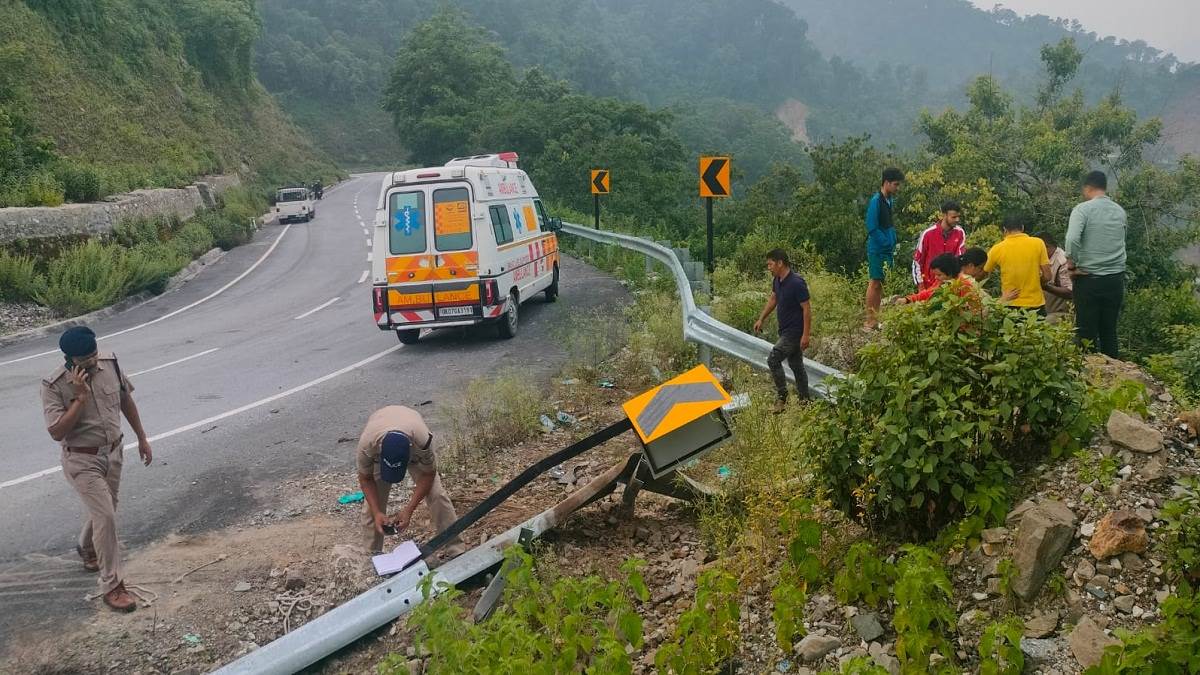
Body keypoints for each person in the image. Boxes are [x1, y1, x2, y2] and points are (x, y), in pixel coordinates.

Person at [40, 326, 152, 613]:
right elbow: (57, 431)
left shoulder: (109, 363)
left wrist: (142, 437)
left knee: (107, 509)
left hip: (113, 452)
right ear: (69, 359)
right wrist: (79, 398)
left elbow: (125, 399)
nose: (91, 363)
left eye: (93, 356)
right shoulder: (53, 385)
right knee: (106, 517)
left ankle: (87, 546)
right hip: (82, 460)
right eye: (84, 360)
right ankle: (113, 586)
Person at [356, 405, 466, 558]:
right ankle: (372, 560)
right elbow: (366, 479)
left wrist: (409, 510)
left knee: (437, 496)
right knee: (371, 508)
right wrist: (377, 512)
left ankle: (456, 551)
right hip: (380, 426)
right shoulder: (367, 445)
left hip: (412, 437)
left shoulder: (423, 441)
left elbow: (428, 474)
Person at [1066, 170, 1127, 358]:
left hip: (1088, 278)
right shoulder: (1120, 211)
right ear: (1104, 187)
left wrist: (1071, 266)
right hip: (1115, 279)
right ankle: (1115, 375)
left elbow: (1072, 239)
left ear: (1087, 187)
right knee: (1109, 330)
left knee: (1086, 332)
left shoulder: (1083, 209)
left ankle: (1088, 377)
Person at [753, 249, 813, 413]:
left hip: (794, 332)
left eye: (770, 264)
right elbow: (774, 298)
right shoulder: (777, 280)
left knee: (773, 359)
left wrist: (806, 335)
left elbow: (806, 309)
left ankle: (782, 398)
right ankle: (805, 403)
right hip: (785, 330)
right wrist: (761, 318)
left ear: (780, 263)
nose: (769, 268)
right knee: (796, 366)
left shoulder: (796, 283)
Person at [983, 214, 1051, 314]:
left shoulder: (997, 249)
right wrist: (1036, 281)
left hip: (1010, 304)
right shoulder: (1038, 243)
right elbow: (1048, 276)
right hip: (1035, 304)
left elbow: (984, 274)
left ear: (1004, 230)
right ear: (1022, 227)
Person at [864, 167, 904, 330]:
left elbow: (888, 224)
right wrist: (886, 243)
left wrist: (893, 240)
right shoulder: (876, 201)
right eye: (895, 184)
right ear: (886, 183)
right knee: (874, 283)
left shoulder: (889, 200)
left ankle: (876, 318)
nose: (897, 188)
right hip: (877, 249)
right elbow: (872, 227)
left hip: (887, 248)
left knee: (880, 283)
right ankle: (869, 321)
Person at [912, 201, 966, 291]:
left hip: (950, 286)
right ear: (944, 215)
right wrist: (920, 284)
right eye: (954, 217)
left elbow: (959, 259)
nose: (957, 220)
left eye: (958, 217)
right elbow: (918, 260)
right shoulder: (928, 234)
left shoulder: (960, 233)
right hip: (929, 285)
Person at [893, 253, 973, 304]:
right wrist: (907, 299)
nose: (936, 277)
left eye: (939, 275)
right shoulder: (941, 282)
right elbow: (928, 293)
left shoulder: (964, 285)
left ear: (950, 273)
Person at [1036, 232, 1074, 324]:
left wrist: (1045, 286)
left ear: (1046, 246)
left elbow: (1070, 292)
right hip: (1043, 311)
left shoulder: (1062, 261)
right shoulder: (1041, 259)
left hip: (1061, 313)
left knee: (1047, 323)